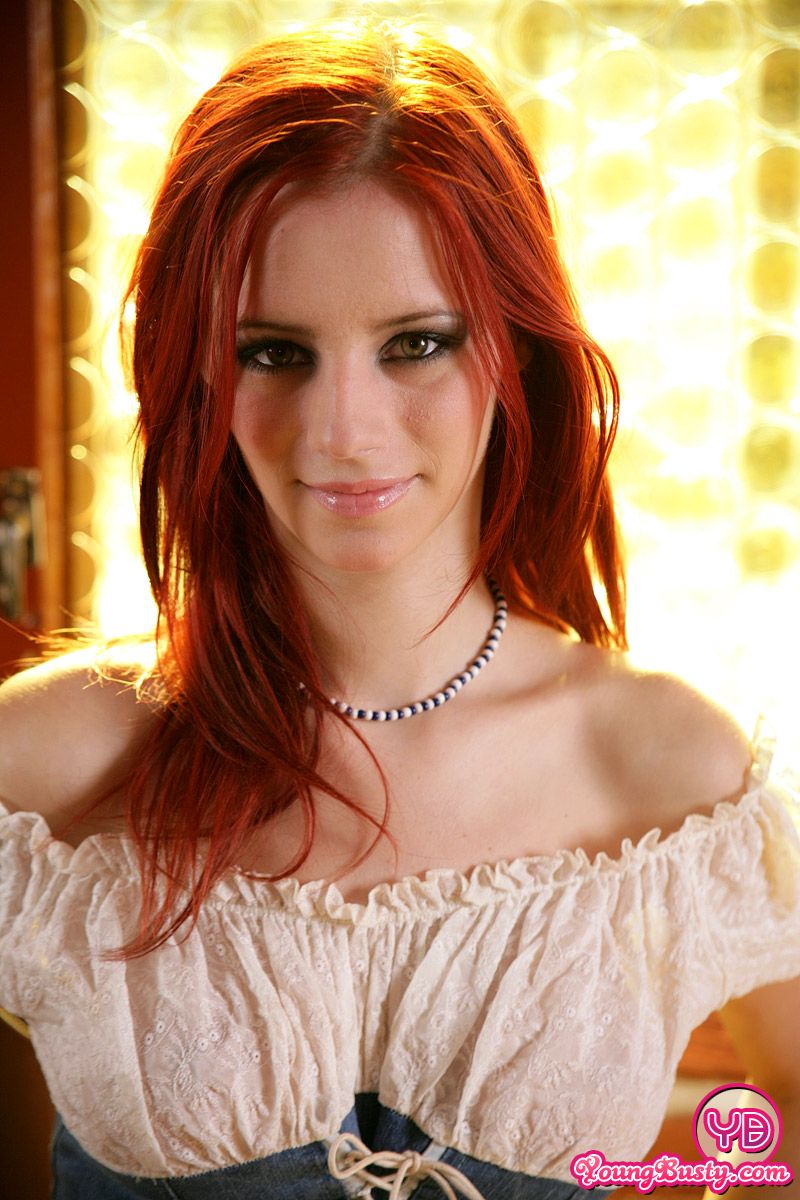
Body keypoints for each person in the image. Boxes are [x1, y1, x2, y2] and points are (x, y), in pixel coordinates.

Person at [1, 20, 799, 1200]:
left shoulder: (664, 769)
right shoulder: (47, 765)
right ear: (198, 371)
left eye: (414, 342)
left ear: (513, 351)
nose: (341, 431)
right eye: (273, 353)